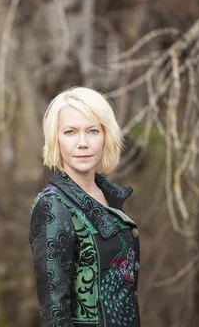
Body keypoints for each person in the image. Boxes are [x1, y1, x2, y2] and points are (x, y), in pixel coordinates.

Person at [29, 86, 140, 327]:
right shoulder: (53, 206)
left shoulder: (109, 195)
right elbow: (54, 314)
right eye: (70, 132)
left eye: (92, 131)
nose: (83, 143)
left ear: (105, 135)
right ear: (55, 139)